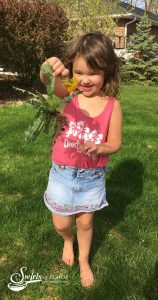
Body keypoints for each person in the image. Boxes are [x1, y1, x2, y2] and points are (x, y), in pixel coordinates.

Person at [40, 32, 122, 288]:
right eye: (79, 72)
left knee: (85, 222)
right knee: (62, 222)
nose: (85, 80)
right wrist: (47, 68)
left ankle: (84, 260)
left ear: (107, 72)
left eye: (93, 73)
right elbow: (49, 83)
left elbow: (115, 142)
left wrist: (101, 147)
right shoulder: (70, 92)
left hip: (92, 177)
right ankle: (67, 240)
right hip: (62, 173)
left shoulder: (112, 106)